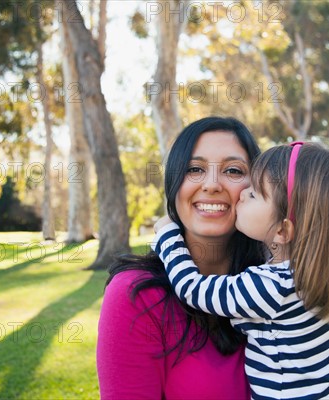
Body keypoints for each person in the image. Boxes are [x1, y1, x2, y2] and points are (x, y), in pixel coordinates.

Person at [154, 142, 329, 399]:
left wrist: (168, 234)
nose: (242, 194)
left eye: (255, 194)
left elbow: (193, 289)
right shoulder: (315, 275)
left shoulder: (271, 286)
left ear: (282, 231)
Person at [96, 117, 265, 399]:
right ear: (174, 184)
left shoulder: (278, 287)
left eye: (233, 170)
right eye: (195, 169)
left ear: (257, 189)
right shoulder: (136, 295)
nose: (211, 185)